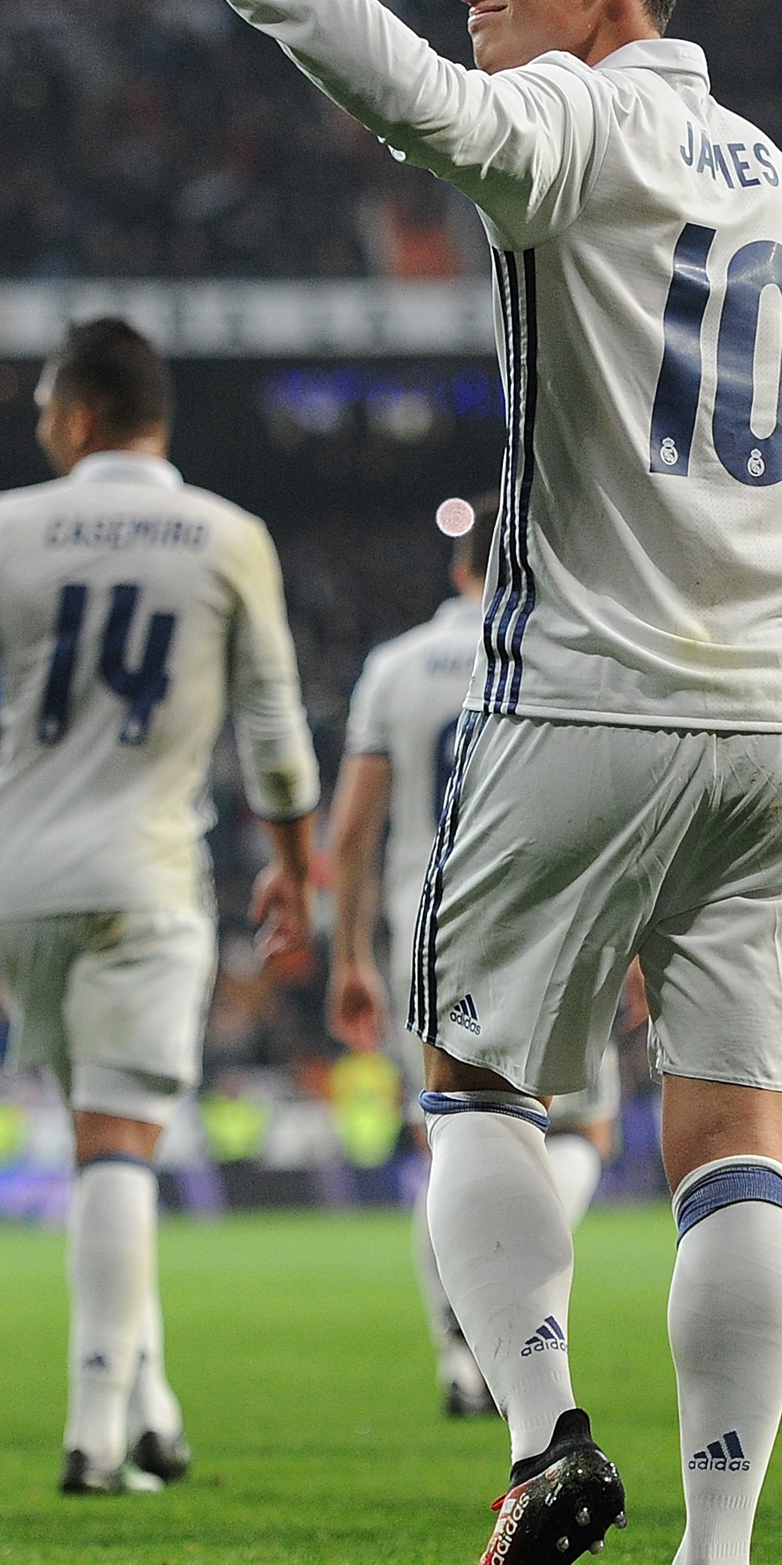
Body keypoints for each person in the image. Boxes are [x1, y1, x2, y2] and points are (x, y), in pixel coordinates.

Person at [138, 0, 782, 1565]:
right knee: (739, 1148)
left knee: (472, 1083)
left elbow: (424, 112)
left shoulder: (582, 109)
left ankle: (542, 1439)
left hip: (585, 699)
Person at [0, 316, 318, 1497]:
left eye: (45, 407)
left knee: (100, 1144)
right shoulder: (230, 536)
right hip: (145, 871)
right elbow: (275, 730)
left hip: (19, 877)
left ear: (80, 414)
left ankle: (151, 1410)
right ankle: (92, 1433)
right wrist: (291, 860)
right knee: (120, 1149)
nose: (40, 426)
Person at [325, 498, 625, 1421]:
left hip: (434, 919)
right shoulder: (569, 652)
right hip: (552, 916)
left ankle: (464, 1350)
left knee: (455, 1139)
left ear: (460, 569)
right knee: (578, 1136)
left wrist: (349, 956)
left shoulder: (396, 667)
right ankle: (510, 1302)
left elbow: (352, 831)